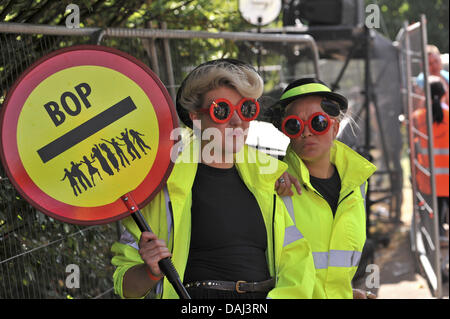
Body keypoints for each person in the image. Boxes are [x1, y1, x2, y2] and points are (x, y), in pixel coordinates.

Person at [111, 59, 316, 299]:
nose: (238, 121)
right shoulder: (160, 186)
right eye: (222, 110)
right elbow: (125, 286)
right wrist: (151, 272)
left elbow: (297, 262)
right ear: (196, 117)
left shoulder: (269, 180)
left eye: (247, 109)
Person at [270, 78, 377, 299]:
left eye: (318, 123)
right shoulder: (273, 180)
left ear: (335, 127)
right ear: (286, 131)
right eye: (295, 125)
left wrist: (346, 294)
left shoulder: (357, 185)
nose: (306, 132)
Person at [413, 78, 449, 237]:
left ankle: (438, 235)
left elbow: (414, 146)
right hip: (447, 178)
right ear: (444, 94)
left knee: (434, 216)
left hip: (429, 177)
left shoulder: (418, 117)